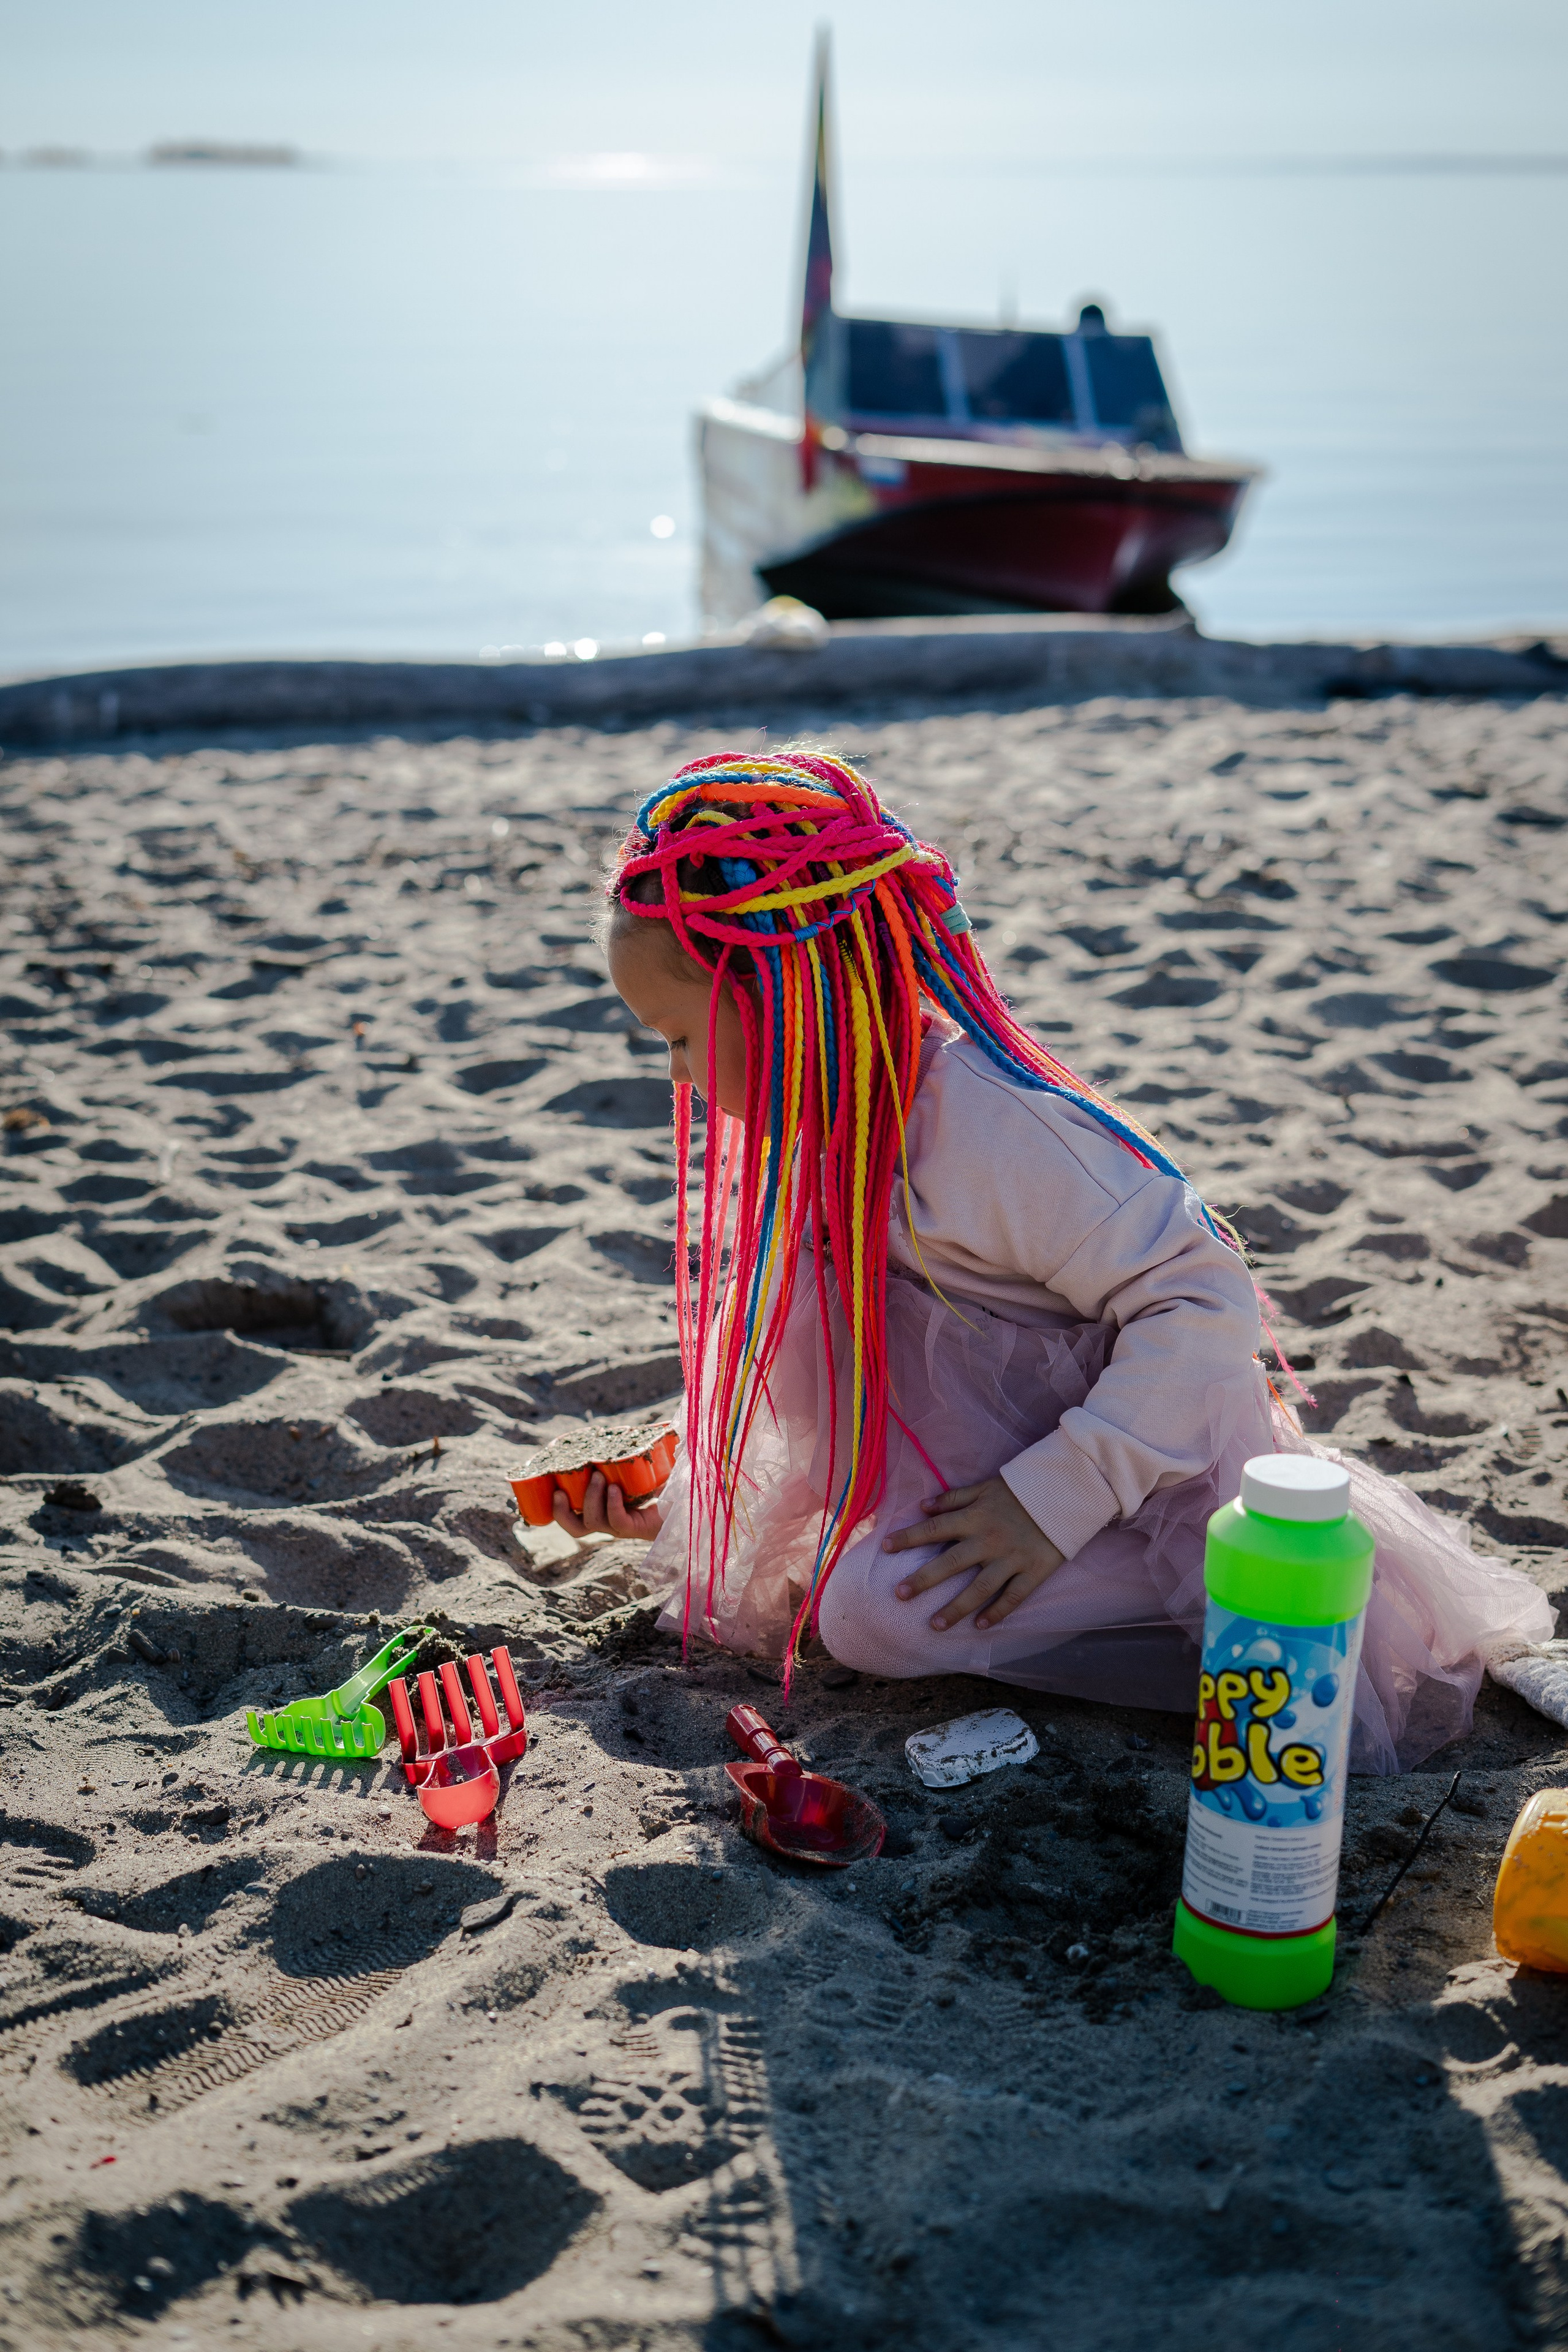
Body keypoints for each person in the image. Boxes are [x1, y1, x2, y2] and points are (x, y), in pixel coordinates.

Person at [553, 748, 1551, 1773]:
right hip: (985, 1461)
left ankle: (1272, 1586)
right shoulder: (828, 1126)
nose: (678, 1076)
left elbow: (1205, 1298)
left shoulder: (991, 1128)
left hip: (1140, 1470)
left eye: (677, 1037)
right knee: (832, 1583)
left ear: (787, 994)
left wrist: (1052, 1500)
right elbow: (822, 1363)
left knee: (872, 1617)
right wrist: (686, 1490)